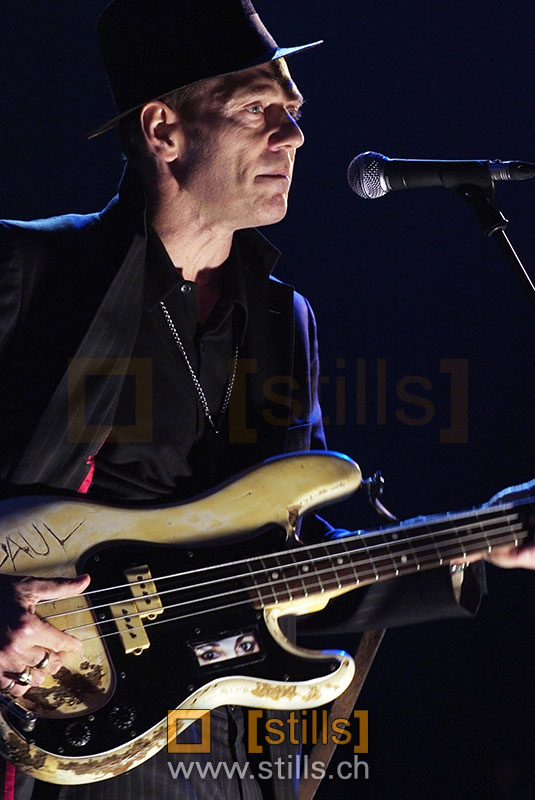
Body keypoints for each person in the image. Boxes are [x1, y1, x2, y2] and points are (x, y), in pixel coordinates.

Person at [0, 1, 533, 799]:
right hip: (52, 727)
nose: (292, 135)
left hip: (226, 754)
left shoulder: (284, 319)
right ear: (163, 130)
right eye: (257, 109)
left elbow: (284, 563)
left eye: (293, 110)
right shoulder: (28, 272)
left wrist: (480, 540)